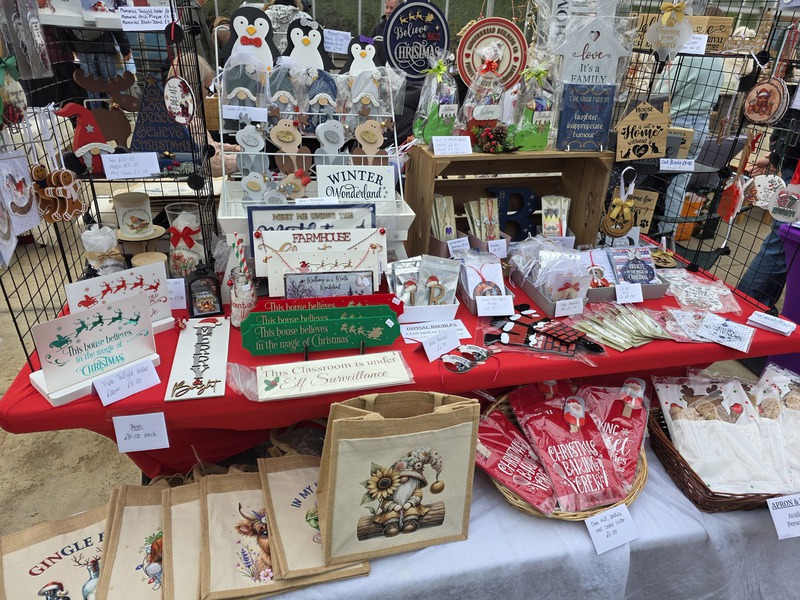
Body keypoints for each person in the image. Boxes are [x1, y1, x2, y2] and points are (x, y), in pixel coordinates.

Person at [736, 108, 800, 308]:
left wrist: (777, 156)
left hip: (792, 161)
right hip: (795, 167)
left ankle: (752, 303)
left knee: (783, 239)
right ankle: (748, 304)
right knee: (783, 239)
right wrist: (777, 156)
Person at [58, 28, 131, 108]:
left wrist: (72, 48)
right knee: (111, 84)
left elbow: (61, 31)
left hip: (82, 48)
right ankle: (114, 111)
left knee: (92, 86)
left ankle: (97, 113)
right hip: (104, 46)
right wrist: (125, 49)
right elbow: (115, 27)